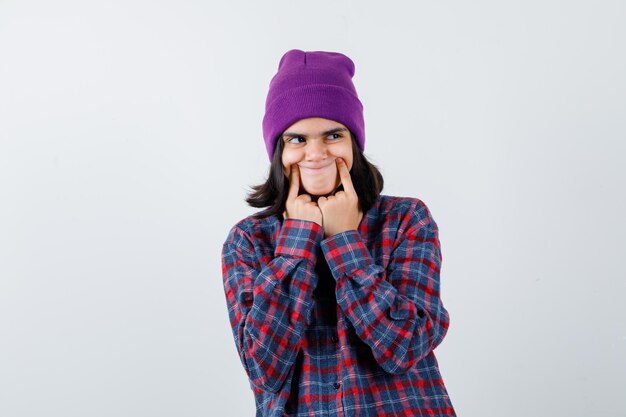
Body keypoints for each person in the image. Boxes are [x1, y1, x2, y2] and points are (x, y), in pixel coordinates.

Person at [221, 49, 457, 417]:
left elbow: (405, 348)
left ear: (354, 143)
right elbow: (264, 369)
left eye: (333, 134)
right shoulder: (248, 240)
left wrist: (344, 241)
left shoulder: (407, 219)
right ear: (277, 151)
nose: (315, 153)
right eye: (297, 139)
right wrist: (297, 243)